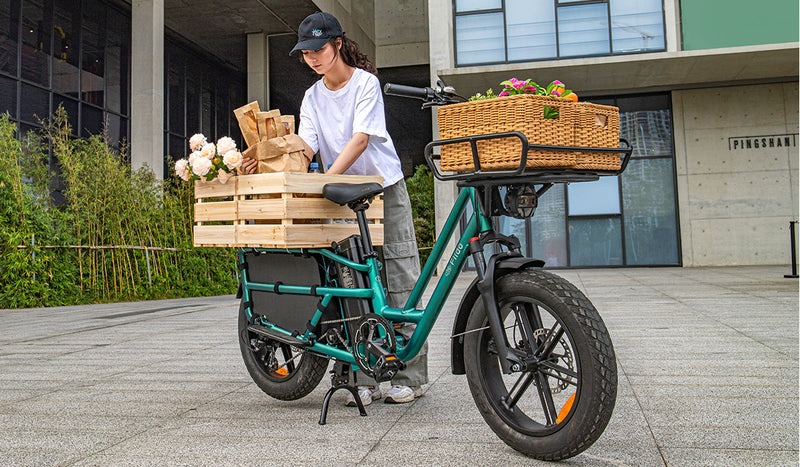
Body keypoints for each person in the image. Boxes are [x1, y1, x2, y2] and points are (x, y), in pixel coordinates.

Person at [246, 11, 427, 405]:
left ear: (338, 44)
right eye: (306, 52)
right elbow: (306, 146)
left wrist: (329, 179)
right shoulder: (312, 96)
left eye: (319, 48)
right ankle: (363, 374)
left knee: (398, 272)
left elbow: (361, 139)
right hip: (340, 196)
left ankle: (409, 375)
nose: (312, 57)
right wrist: (263, 159)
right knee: (352, 280)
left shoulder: (366, 83)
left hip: (382, 187)